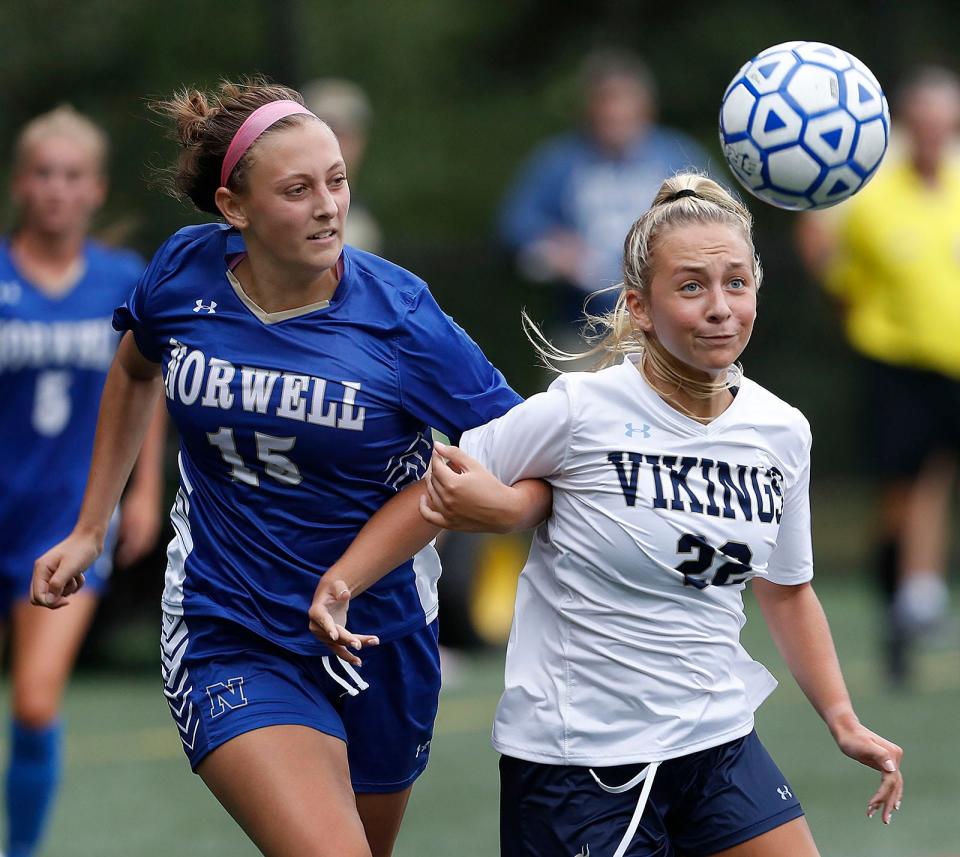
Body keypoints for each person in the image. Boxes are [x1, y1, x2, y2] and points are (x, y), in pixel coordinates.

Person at [29, 80, 547, 857]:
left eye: (336, 180)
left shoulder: (401, 315)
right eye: (298, 189)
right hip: (227, 626)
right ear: (235, 207)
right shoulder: (184, 275)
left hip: (381, 637)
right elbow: (135, 370)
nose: (328, 206)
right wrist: (90, 525)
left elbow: (531, 455)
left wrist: (502, 509)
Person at [316, 174, 904, 856]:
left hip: (716, 742)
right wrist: (342, 583)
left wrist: (842, 718)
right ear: (640, 306)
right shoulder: (580, 410)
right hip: (581, 763)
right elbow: (437, 485)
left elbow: (787, 587)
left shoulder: (781, 430)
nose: (720, 307)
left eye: (736, 283)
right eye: (691, 286)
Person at [0, 105, 167, 857]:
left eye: (72, 175)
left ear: (96, 189)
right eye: (43, 173)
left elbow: (144, 383)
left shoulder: (122, 279)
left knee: (35, 702)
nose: (56, 189)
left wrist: (141, 491)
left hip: (64, 522)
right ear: (19, 183)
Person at [796, 65, 960, 685]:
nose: (933, 133)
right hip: (895, 363)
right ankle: (898, 613)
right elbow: (830, 258)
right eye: (922, 121)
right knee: (899, 490)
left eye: (944, 122)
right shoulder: (870, 197)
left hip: (956, 362)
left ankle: (924, 595)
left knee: (933, 483)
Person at [498, 48, 710, 331]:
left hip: (668, 326)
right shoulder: (561, 161)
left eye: (623, 100)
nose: (615, 112)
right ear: (589, 108)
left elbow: (725, 215)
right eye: (606, 101)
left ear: (646, 107)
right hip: (584, 326)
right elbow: (514, 223)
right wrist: (553, 245)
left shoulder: (676, 156)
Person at [301, 77, 382, 253]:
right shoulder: (283, 209)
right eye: (325, 130)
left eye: (340, 134)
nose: (334, 143)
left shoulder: (361, 223)